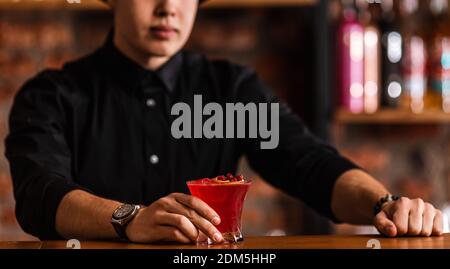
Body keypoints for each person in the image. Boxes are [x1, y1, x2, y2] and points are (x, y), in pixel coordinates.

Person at [5, 0, 443, 244]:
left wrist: (384, 204)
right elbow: (39, 195)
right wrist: (129, 218)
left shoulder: (228, 89)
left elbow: (310, 163)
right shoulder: (52, 95)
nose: (167, 9)